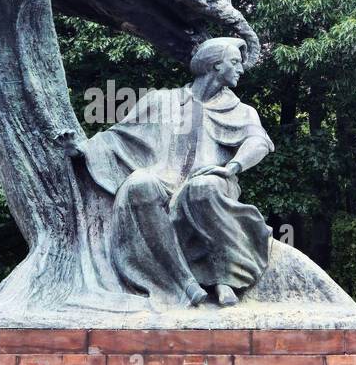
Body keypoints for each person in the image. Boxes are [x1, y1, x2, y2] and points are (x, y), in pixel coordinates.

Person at [62, 36, 274, 307]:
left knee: (202, 188)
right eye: (235, 62)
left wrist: (229, 167)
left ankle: (224, 278)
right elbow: (118, 136)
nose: (241, 69)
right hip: (165, 177)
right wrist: (83, 150)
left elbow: (258, 143)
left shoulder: (241, 111)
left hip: (215, 181)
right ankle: (183, 282)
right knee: (139, 183)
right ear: (215, 65)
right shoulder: (161, 101)